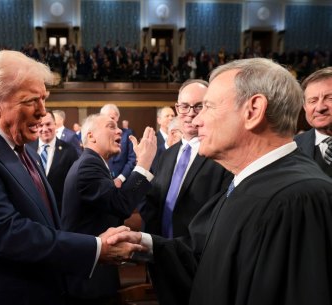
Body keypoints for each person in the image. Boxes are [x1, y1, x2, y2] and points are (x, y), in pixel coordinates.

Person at [109, 58, 332, 305]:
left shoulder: (301, 198)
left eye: (208, 106)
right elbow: (206, 258)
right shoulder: (246, 180)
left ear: (253, 110)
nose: (196, 120)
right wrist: (143, 243)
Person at [0, 50, 145, 305]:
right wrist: (96, 247)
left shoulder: (26, 152)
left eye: (44, 99)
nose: (43, 112)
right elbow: (6, 232)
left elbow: (47, 227)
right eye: (31, 100)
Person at [61, 113, 156, 304]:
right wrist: (144, 163)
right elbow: (121, 205)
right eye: (111, 126)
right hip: (89, 282)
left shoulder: (95, 164)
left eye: (118, 126)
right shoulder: (89, 165)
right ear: (91, 136)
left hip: (94, 275)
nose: (119, 130)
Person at [141, 79, 231, 241]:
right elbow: (153, 204)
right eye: (184, 106)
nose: (190, 113)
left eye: (198, 106)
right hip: (161, 253)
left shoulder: (223, 155)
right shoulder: (167, 155)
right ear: (177, 108)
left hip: (198, 257)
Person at [28, 110, 78, 214]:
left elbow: (74, 185)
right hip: (35, 211)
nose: (44, 129)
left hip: (60, 211)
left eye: (48, 124)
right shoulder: (27, 149)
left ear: (55, 125)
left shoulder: (69, 151)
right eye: (40, 125)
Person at [295, 67, 332, 177]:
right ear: (305, 107)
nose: (320, 108)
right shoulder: (291, 147)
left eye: (330, 98)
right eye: (313, 101)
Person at [100, 104, 136, 188]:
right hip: (102, 181)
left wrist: (120, 178)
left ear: (117, 118)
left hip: (123, 183)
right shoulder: (98, 135)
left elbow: (132, 159)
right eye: (106, 117)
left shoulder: (127, 135)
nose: (110, 120)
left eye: (112, 118)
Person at [151, 106, 176, 173]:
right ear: (159, 120)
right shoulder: (152, 140)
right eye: (167, 116)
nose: (171, 118)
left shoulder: (180, 138)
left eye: (173, 116)